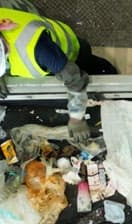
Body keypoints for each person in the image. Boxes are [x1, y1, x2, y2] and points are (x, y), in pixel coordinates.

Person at [0, 5, 116, 142]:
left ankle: (108, 70)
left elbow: (75, 79)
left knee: (94, 68)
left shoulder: (37, 50)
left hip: (71, 52)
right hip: (45, 63)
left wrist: (76, 118)